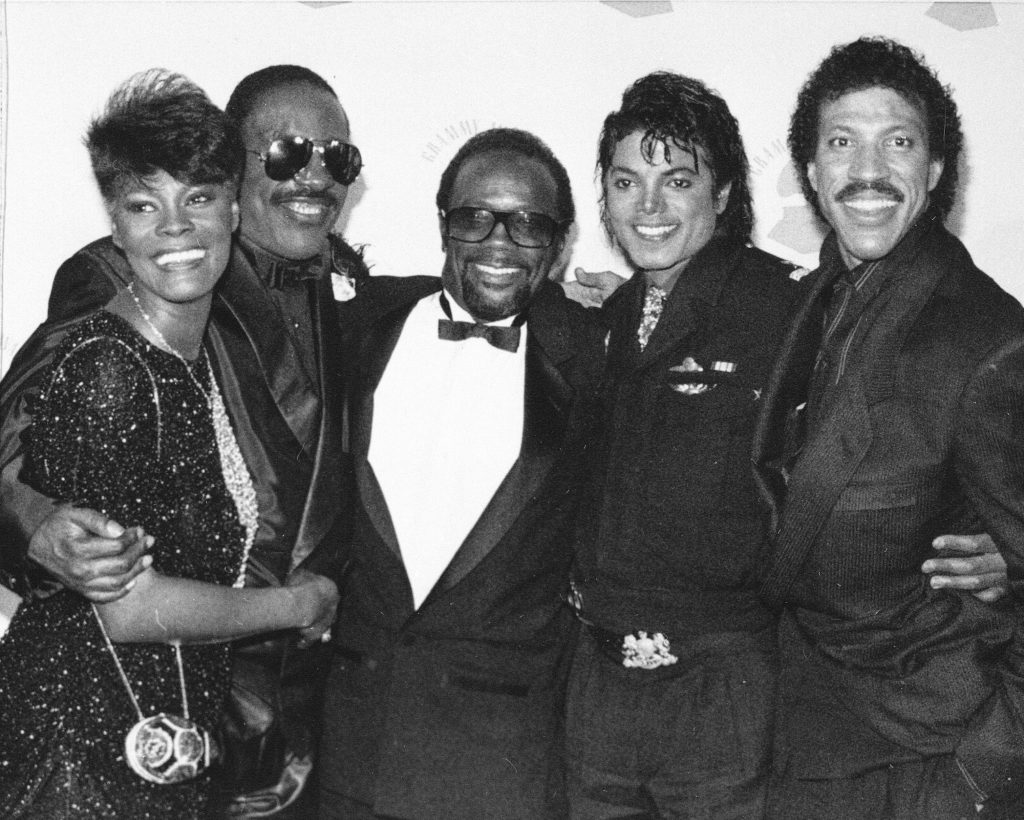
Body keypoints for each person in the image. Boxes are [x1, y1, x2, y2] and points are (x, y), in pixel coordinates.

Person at [0, 64, 368, 815]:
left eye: (339, 158)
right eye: (291, 152)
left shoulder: (353, 297)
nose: (317, 175)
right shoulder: (119, 286)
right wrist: (37, 527)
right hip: (123, 720)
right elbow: (15, 440)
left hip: (275, 737)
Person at [754, 36, 1024, 819]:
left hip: (930, 759)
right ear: (811, 171)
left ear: (934, 173)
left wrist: (983, 775)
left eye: (897, 143)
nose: (867, 170)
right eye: (843, 143)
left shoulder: (989, 340)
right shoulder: (816, 296)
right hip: (810, 738)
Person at [316, 127, 605, 819]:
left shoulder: (597, 359)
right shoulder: (356, 329)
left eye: (529, 224)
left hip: (497, 768)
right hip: (346, 745)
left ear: (561, 243)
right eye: (474, 217)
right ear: (443, 224)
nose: (499, 243)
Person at [563, 71, 807, 818]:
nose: (649, 207)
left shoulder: (790, 309)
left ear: (725, 193)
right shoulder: (603, 316)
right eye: (627, 181)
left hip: (719, 687)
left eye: (677, 181)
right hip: (600, 683)